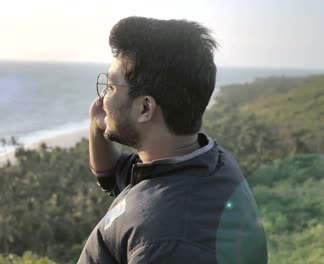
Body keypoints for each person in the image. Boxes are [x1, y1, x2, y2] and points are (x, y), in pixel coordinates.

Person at [78, 17, 268, 264]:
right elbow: (112, 175)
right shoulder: (203, 159)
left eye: (111, 86)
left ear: (145, 108)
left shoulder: (169, 243)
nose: (103, 97)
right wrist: (97, 125)